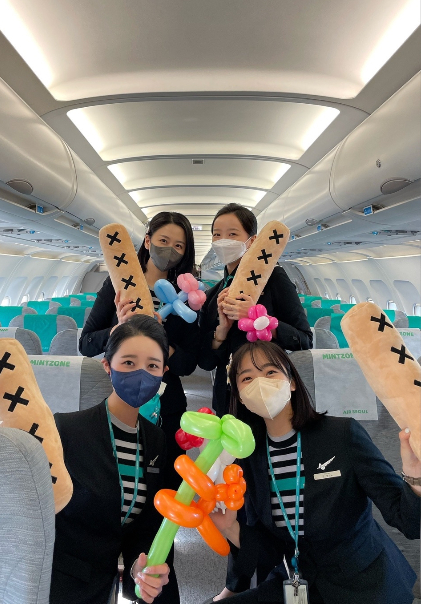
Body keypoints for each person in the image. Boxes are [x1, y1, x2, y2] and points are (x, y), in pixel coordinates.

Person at [202, 340, 421, 604]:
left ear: (292, 382)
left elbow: (410, 523)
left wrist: (415, 477)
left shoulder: (342, 435)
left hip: (363, 583)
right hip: (297, 581)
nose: (260, 383)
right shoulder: (249, 456)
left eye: (270, 372)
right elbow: (269, 550)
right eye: (247, 378)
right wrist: (230, 528)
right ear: (238, 395)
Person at [50, 315, 179, 604]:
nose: (141, 374)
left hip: (106, 581)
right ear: (107, 366)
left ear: (163, 373)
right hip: (57, 583)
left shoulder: (155, 441)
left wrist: (137, 569)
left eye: (152, 366)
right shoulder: (65, 430)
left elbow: (143, 526)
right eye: (129, 363)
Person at [79, 211, 200, 488]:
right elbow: (86, 343)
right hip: (119, 399)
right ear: (148, 241)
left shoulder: (185, 297)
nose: (170, 250)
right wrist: (120, 328)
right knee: (117, 482)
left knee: (166, 485)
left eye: (178, 246)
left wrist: (158, 339)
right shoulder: (117, 285)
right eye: (163, 241)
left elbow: (188, 364)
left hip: (167, 405)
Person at [198, 203, 312, 417]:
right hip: (228, 398)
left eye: (232, 234)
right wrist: (221, 332)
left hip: (269, 397)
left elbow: (304, 340)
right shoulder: (213, 295)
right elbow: (206, 362)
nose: (223, 240)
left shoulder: (274, 279)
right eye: (217, 234)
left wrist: (261, 319)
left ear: (252, 241)